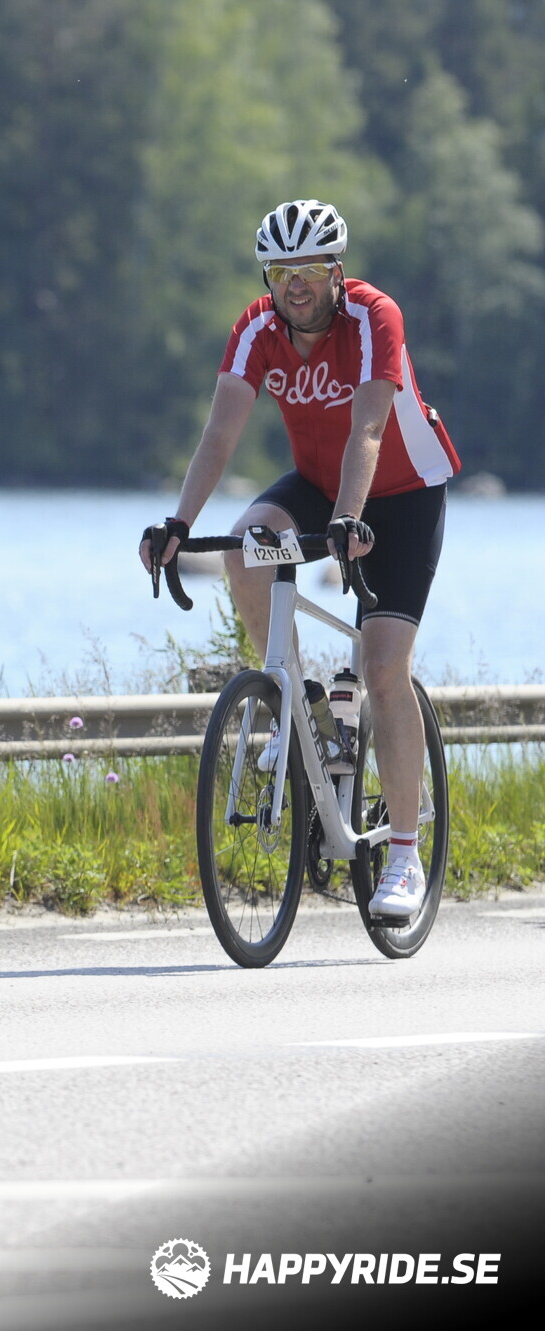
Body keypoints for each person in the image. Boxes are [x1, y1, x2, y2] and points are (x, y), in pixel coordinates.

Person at [140, 199, 459, 922]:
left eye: (310, 270)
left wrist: (350, 518)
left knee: (383, 667)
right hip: (318, 486)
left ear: (336, 272)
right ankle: (300, 704)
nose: (295, 286)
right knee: (246, 549)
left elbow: (368, 430)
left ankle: (403, 857)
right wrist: (178, 524)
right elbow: (220, 434)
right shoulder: (256, 328)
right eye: (281, 272)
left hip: (405, 492)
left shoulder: (374, 317)